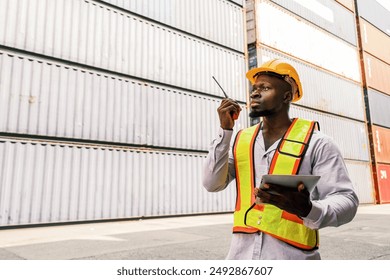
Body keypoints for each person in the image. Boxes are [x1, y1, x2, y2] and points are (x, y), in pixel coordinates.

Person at [202, 59, 359, 260]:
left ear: (286, 96)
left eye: (265, 88)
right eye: (254, 88)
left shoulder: (318, 143)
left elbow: (347, 201)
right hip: (240, 258)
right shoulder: (241, 140)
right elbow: (211, 183)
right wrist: (225, 131)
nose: (254, 93)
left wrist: (309, 209)